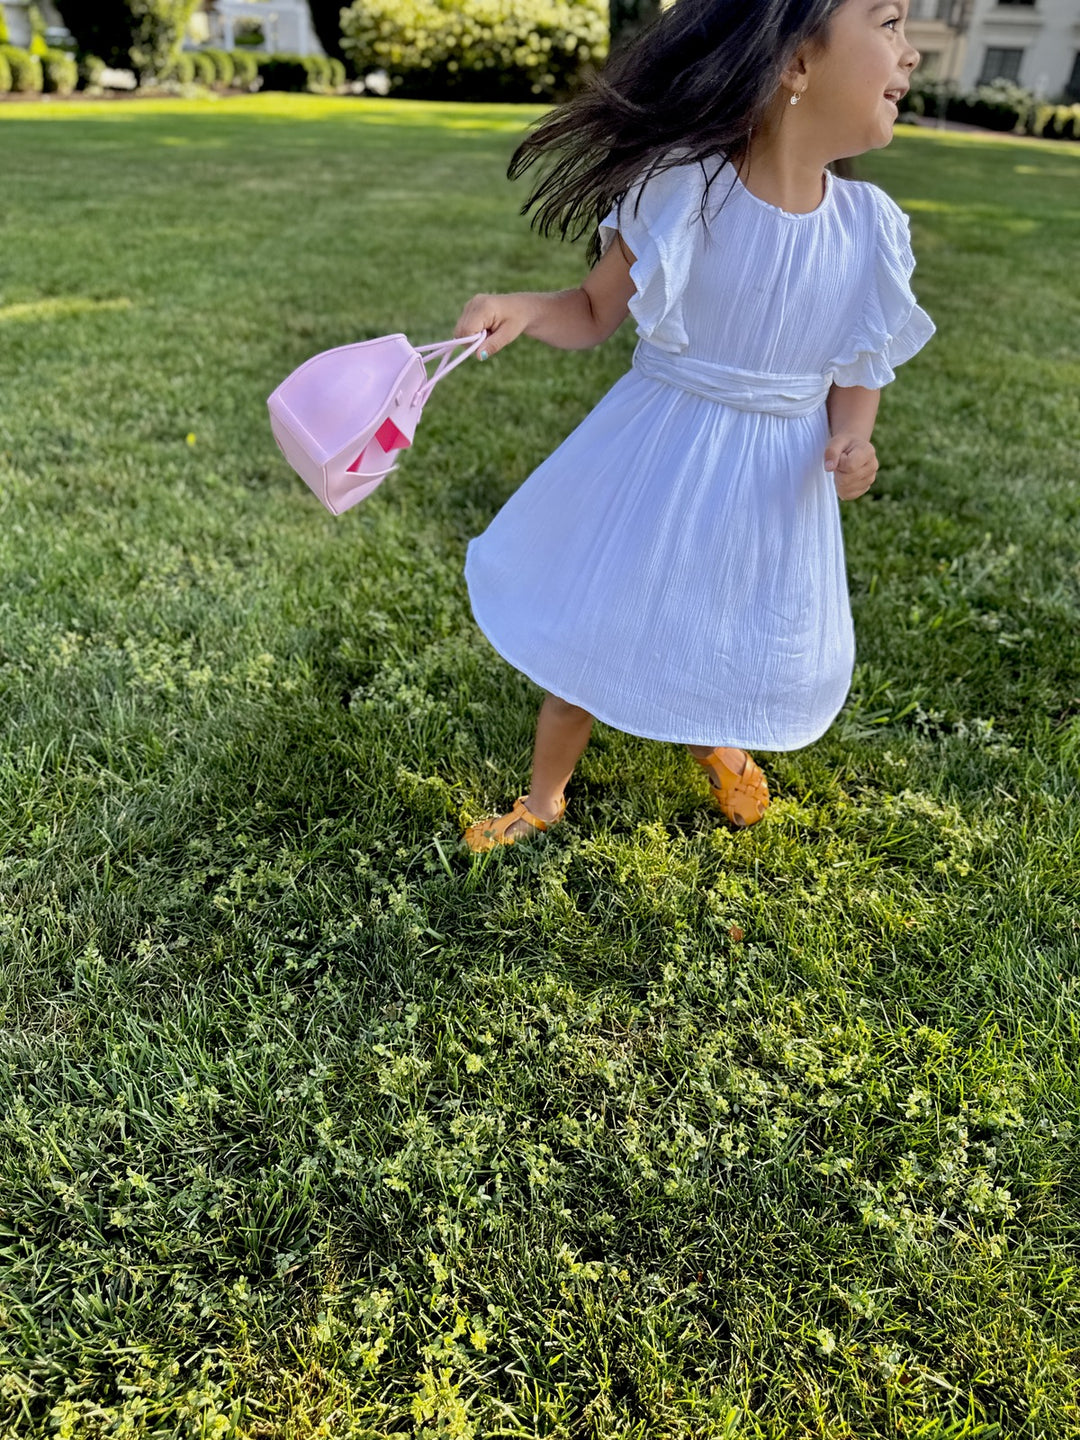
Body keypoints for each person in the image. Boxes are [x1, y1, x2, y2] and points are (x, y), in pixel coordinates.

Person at [455, 0, 934, 853]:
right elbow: (596, 308)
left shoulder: (871, 233)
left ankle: (714, 735)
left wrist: (854, 439)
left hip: (773, 475)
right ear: (795, 64)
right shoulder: (688, 188)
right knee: (596, 629)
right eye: (889, 23)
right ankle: (542, 799)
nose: (913, 52)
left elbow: (859, 369)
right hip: (660, 453)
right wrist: (523, 309)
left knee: (733, 622)